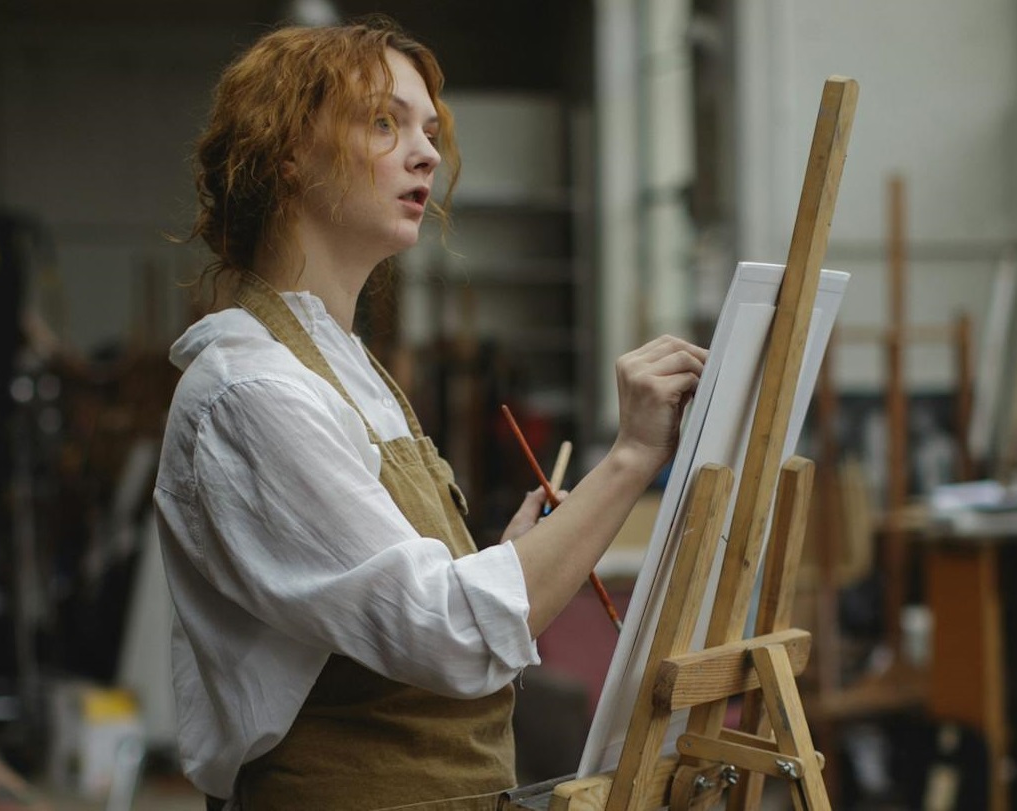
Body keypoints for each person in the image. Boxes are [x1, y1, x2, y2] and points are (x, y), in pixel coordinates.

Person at [153, 16, 708, 811]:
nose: (426, 153)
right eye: (384, 122)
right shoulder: (252, 392)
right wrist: (629, 459)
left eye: (429, 129)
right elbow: (448, 631)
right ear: (286, 152)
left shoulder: (345, 369)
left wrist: (513, 556)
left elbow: (407, 601)